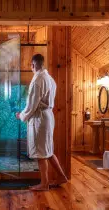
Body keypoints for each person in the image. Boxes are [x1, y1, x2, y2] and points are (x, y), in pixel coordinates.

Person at [16, 54, 68, 191]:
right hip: (48, 116)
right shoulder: (50, 78)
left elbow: (32, 104)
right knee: (48, 151)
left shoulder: (38, 79)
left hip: (40, 118)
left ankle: (44, 184)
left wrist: (21, 115)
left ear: (33, 65)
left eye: (31, 66)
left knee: (41, 152)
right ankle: (62, 176)